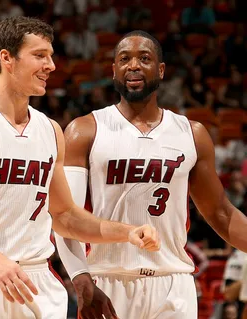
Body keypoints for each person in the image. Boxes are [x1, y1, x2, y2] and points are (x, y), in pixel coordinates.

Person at [0, 18, 161, 319]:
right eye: (39, 55)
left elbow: (64, 216)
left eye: (50, 56)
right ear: (6, 58)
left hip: (36, 280)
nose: (50, 65)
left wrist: (129, 233)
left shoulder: (50, 130)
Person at [55, 30, 247, 319]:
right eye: (124, 59)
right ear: (114, 70)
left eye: (144, 58)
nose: (133, 65)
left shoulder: (192, 134)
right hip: (108, 279)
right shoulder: (84, 130)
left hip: (174, 282)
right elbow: (65, 216)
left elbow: (221, 213)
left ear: (160, 70)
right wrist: (81, 277)